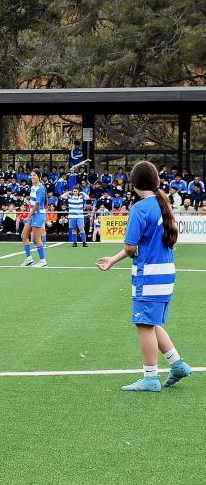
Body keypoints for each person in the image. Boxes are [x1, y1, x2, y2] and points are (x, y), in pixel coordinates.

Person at [96, 160, 192, 392]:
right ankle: (177, 364)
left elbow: (130, 248)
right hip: (166, 274)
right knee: (151, 322)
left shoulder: (140, 208)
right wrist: (112, 259)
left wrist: (114, 259)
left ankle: (150, 377)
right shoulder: (163, 204)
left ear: (134, 184)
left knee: (143, 324)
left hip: (148, 276)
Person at [20, 170, 48, 267]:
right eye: (31, 175)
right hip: (33, 214)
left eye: (34, 175)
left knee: (36, 238)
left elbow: (37, 204)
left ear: (38, 176)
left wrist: (28, 216)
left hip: (38, 215)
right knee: (24, 236)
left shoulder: (41, 188)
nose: (32, 177)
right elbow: (32, 203)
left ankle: (42, 261)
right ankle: (29, 259)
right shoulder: (32, 187)